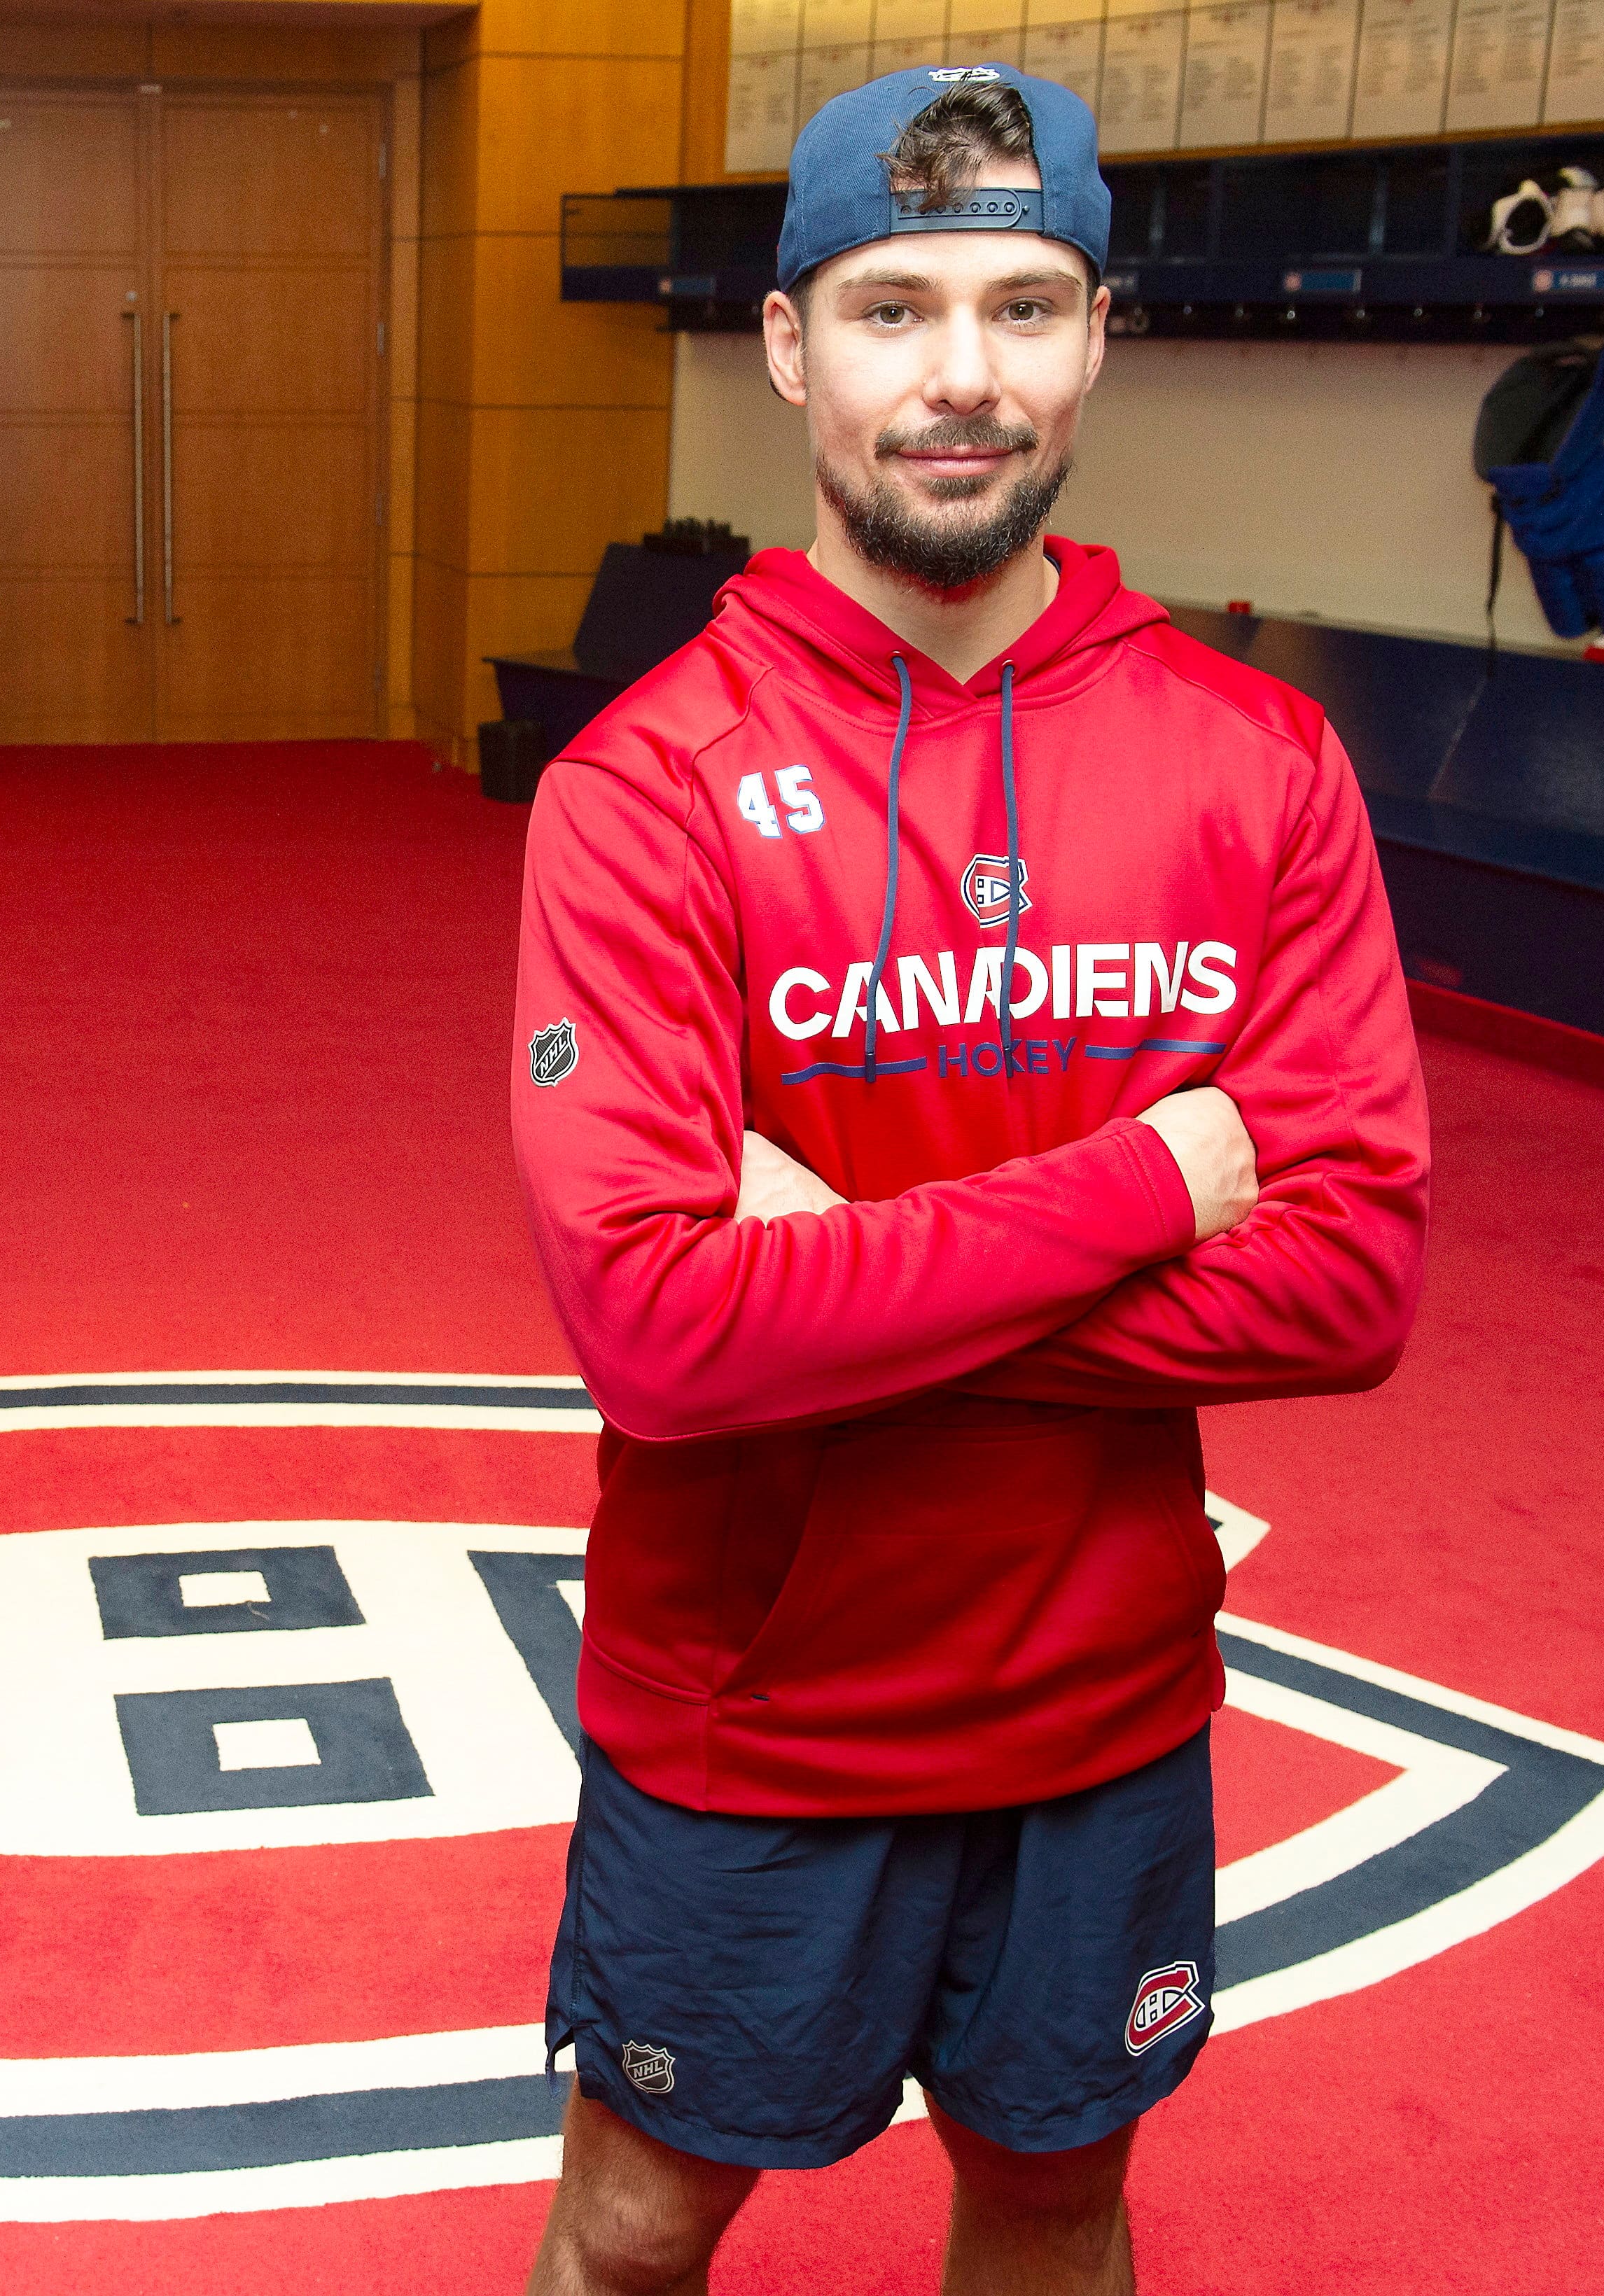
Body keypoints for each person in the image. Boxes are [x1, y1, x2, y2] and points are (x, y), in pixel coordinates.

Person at [508, 62, 1431, 2296]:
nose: (961, 378)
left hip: (1097, 1697)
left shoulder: (1255, 760)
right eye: (897, 308)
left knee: (1055, 2203)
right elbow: (657, 1321)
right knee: (634, 2224)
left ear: (1097, 341)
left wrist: (839, 1278)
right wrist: (1153, 1179)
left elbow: (1351, 1287)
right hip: (754, 1703)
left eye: (1025, 309)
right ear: (791, 345)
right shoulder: (648, 794)